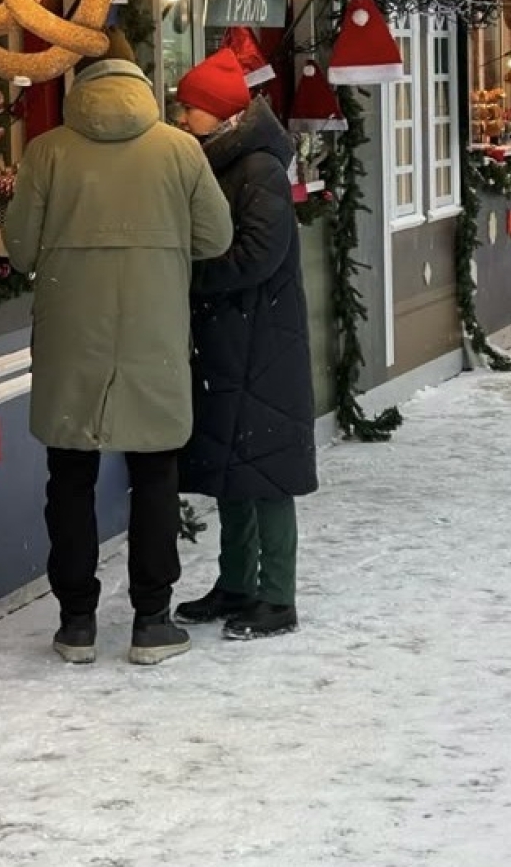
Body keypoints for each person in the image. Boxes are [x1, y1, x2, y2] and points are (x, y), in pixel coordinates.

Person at [3, 34, 233, 667]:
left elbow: (19, 249)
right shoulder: (180, 149)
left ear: (77, 80)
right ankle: (151, 621)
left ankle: (76, 622)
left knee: (69, 478)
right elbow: (216, 237)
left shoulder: (47, 151)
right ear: (139, 77)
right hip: (154, 333)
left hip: (69, 337)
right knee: (155, 477)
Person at [171, 47, 318, 641]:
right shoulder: (223, 162)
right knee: (233, 465)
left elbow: (258, 254)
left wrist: (189, 275)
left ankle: (277, 596)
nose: (182, 117)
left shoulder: (258, 169)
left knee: (267, 471)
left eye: (190, 107)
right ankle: (236, 583)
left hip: (263, 341)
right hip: (234, 336)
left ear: (218, 111)